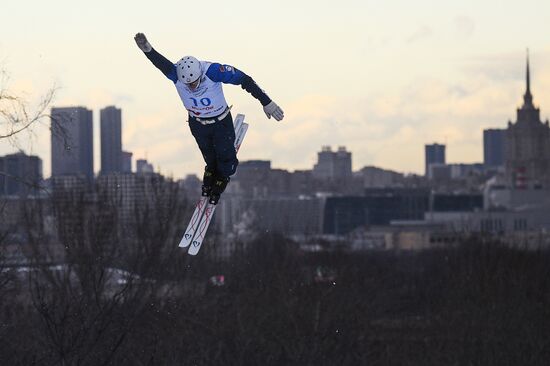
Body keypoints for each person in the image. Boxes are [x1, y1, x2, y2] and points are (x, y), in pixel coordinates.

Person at [134, 32, 284, 204]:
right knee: (210, 158)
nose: (191, 87)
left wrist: (266, 102)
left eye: (194, 83)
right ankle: (211, 173)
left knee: (227, 161)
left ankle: (222, 178)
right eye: (187, 84)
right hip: (198, 124)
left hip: (220, 122)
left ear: (200, 75)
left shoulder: (212, 71)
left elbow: (245, 80)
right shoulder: (176, 74)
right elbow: (160, 63)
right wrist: (147, 49)